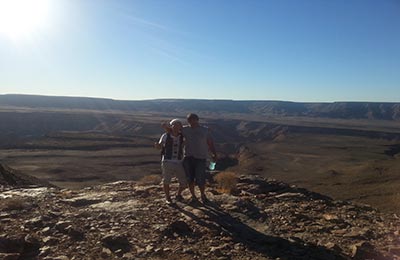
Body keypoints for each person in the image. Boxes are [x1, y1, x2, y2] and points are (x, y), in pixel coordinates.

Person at [164, 113, 217, 204]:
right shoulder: (185, 129)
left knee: (201, 178)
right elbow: (173, 130)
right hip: (188, 157)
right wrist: (165, 127)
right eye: (190, 120)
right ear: (188, 121)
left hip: (201, 157)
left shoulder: (205, 130)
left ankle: (203, 195)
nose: (192, 122)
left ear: (197, 120)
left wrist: (214, 154)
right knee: (190, 178)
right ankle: (193, 196)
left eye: (194, 120)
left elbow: (210, 143)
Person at [155, 119, 187, 204]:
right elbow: (159, 147)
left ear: (180, 127)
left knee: (183, 182)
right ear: (171, 126)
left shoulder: (182, 136)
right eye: (174, 125)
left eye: (178, 125)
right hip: (167, 161)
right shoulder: (165, 136)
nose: (176, 127)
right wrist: (157, 146)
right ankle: (168, 198)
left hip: (179, 161)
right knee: (167, 180)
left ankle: (178, 195)